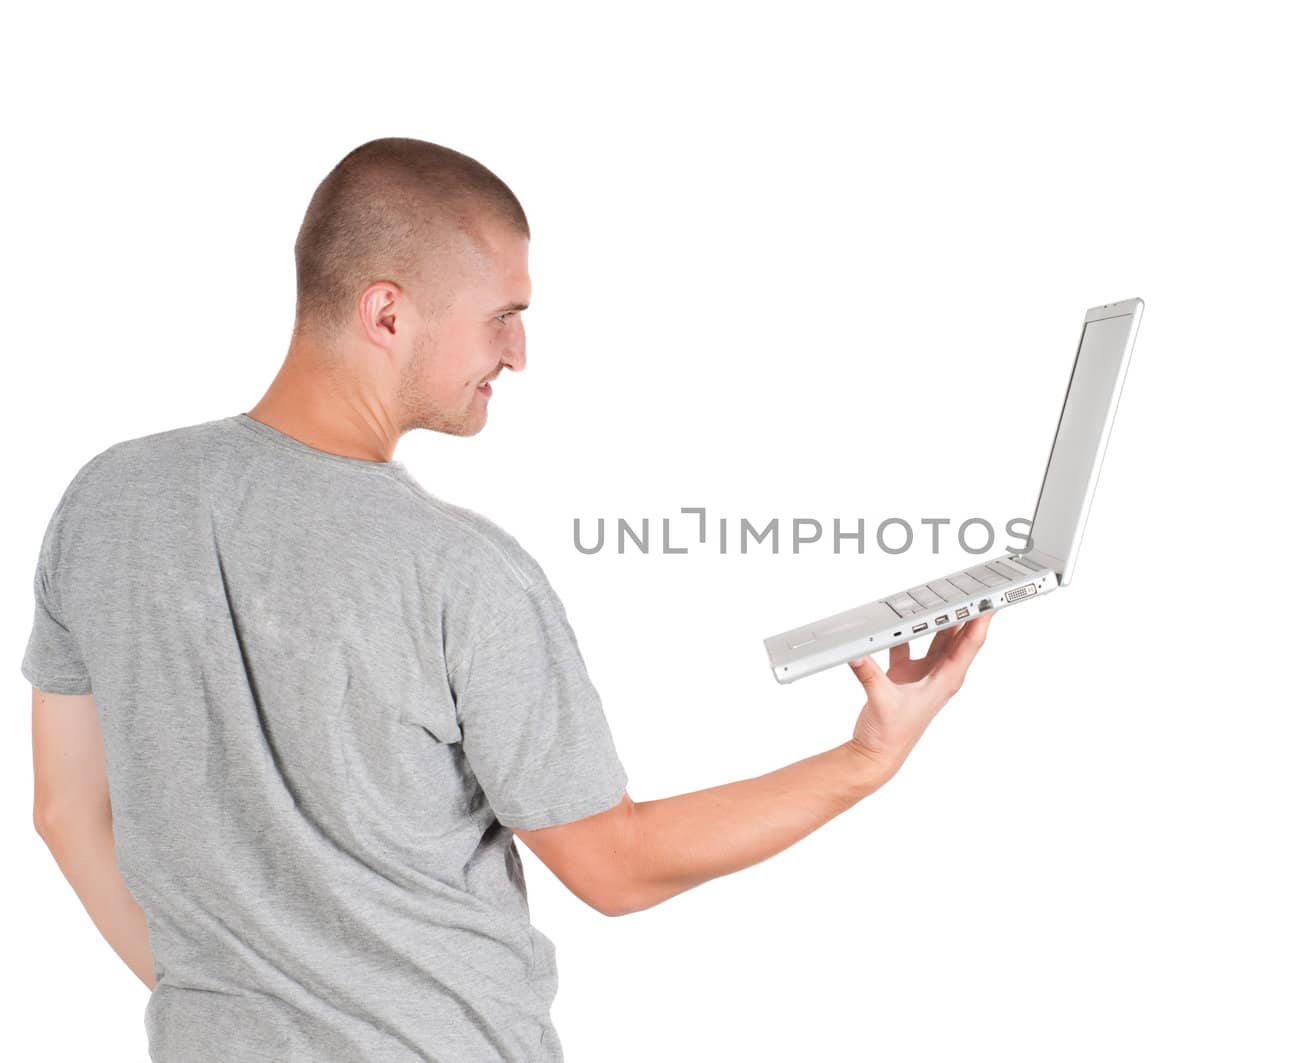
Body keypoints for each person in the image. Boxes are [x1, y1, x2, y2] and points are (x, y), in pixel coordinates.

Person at [24, 136, 993, 1062]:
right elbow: (611, 865)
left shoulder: (106, 501)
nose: (520, 352)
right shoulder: (458, 569)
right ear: (387, 313)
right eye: (502, 314)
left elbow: (67, 810)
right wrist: (867, 759)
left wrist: (235, 999)